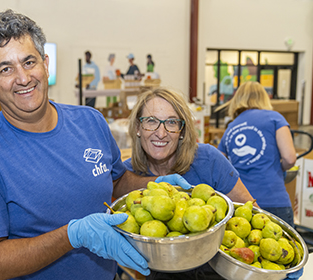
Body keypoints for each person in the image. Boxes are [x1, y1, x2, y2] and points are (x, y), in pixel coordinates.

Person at [0, 10, 191, 280]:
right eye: (5, 69)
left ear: (45, 64)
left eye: (29, 62)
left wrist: (154, 185)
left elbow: (117, 180)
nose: (23, 78)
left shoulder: (90, 122)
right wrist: (72, 236)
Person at [124, 87, 303, 280]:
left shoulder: (208, 160)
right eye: (151, 121)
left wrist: (276, 265)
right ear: (137, 128)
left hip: (216, 270)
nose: (161, 132)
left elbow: (251, 214)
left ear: (182, 130)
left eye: (171, 122)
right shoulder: (126, 176)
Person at [217, 81, 297, 227]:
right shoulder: (275, 118)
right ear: (264, 98)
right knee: (285, 249)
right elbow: (290, 158)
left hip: (242, 205)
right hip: (274, 200)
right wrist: (279, 168)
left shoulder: (231, 128)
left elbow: (219, 167)